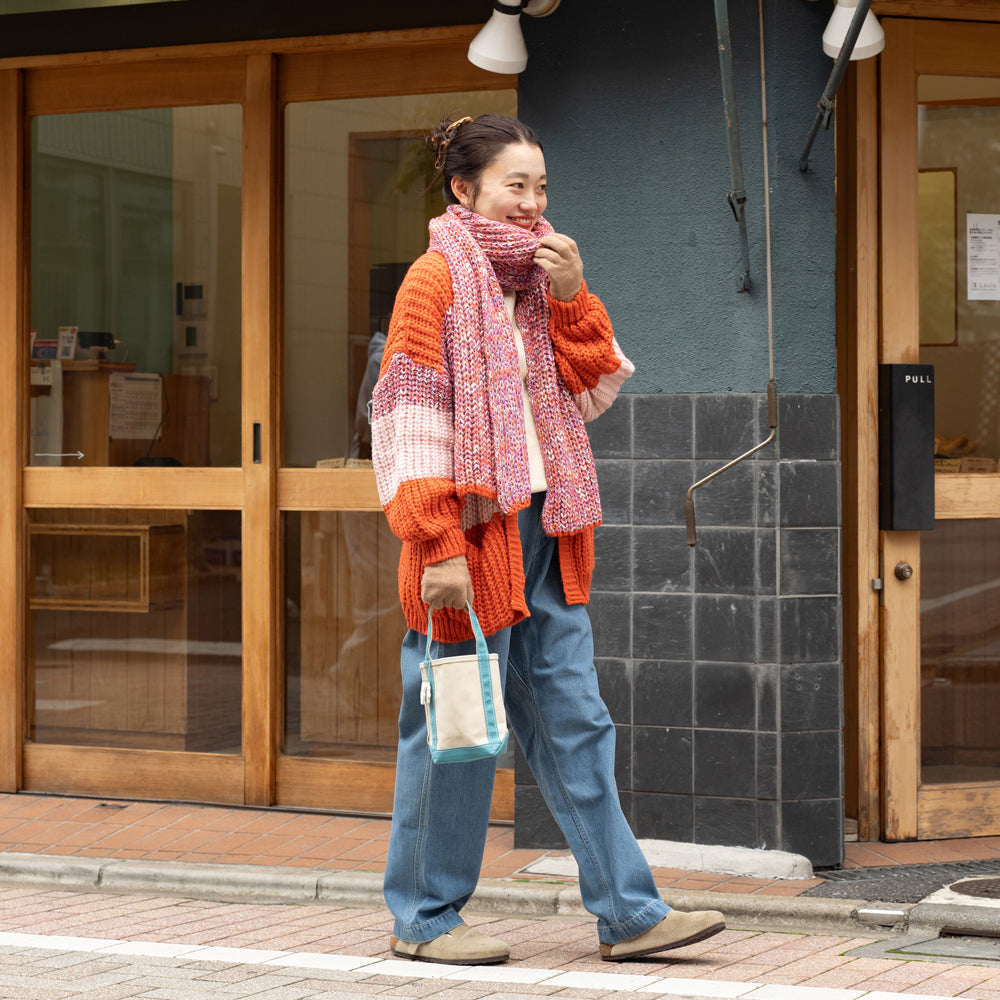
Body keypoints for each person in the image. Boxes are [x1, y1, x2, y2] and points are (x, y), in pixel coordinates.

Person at [370, 113, 725, 966]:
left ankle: (629, 912)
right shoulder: (435, 281)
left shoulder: (534, 288)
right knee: (454, 727)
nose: (533, 205)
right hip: (467, 536)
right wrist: (439, 543)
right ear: (465, 190)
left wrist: (572, 296)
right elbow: (407, 420)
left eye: (540, 187)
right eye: (514, 186)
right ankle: (423, 917)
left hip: (545, 530)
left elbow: (594, 388)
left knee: (576, 721)